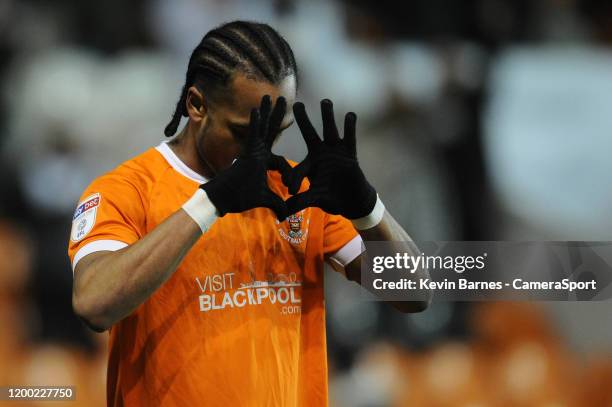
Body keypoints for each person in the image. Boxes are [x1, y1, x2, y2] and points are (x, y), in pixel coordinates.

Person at [68, 20, 430, 407]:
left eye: (277, 130)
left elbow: (416, 293)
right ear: (196, 104)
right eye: (244, 132)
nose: (261, 148)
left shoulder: (294, 191)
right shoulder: (128, 190)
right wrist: (211, 202)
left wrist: (367, 209)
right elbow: (95, 304)